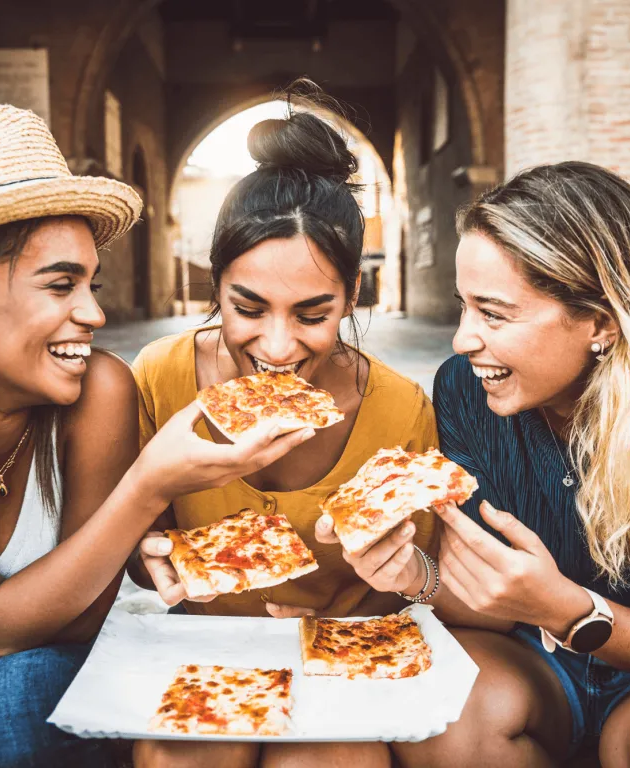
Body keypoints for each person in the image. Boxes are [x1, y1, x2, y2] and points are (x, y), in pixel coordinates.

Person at [130, 92, 514, 768]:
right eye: (247, 307)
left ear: (353, 298)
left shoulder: (400, 411)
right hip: (207, 653)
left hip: (343, 657)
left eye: (313, 314)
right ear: (214, 285)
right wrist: (149, 557)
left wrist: (375, 593)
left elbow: (410, 579)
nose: (277, 346)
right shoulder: (162, 377)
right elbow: (143, 547)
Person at [0, 103, 313, 768]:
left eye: (91, 283)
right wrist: (148, 486)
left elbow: (79, 620)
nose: (95, 313)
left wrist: (145, 489)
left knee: (1, 711)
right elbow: (0, 624)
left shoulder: (100, 392)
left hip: (49, 677)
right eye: (61, 286)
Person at [408, 161, 630, 767]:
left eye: (493, 314)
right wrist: (414, 575)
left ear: (600, 322)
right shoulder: (463, 389)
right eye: (463, 307)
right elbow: (484, 603)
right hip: (529, 661)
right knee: (443, 722)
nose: (463, 339)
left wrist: (569, 611)